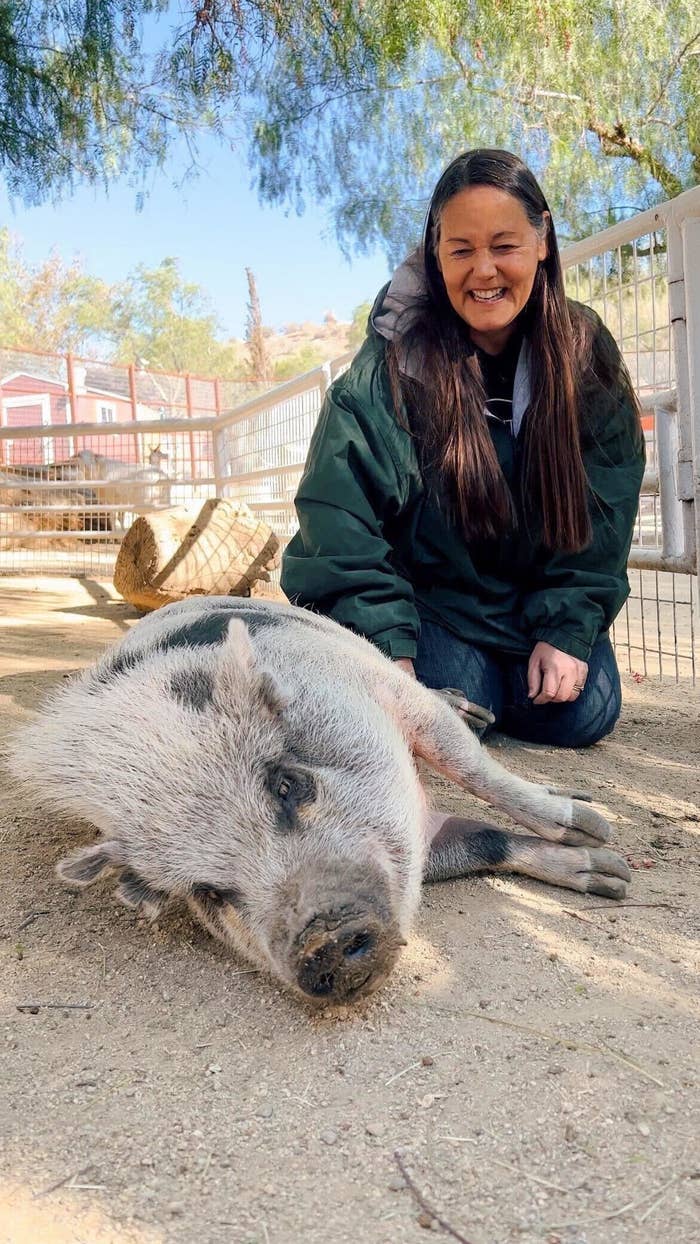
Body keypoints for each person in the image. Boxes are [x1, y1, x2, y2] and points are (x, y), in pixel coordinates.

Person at [281, 149, 646, 748]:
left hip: (531, 604)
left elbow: (605, 510)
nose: (484, 271)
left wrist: (567, 630)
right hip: (434, 605)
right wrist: (386, 649)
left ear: (542, 240)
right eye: (461, 250)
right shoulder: (393, 363)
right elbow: (339, 518)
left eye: (503, 246)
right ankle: (417, 669)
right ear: (436, 253)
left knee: (584, 715)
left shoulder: (584, 350)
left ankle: (503, 674)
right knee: (458, 702)